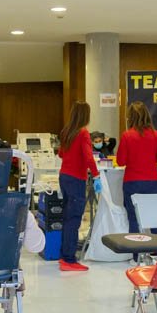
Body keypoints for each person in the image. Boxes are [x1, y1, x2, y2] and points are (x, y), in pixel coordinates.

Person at [56, 101, 99, 272]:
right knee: (74, 219)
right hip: (76, 179)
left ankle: (64, 255)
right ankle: (69, 259)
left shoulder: (67, 131)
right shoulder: (83, 133)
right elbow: (88, 157)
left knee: (67, 217)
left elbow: (61, 153)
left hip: (64, 177)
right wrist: (96, 175)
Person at [115, 102, 157, 234]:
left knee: (133, 218)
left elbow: (120, 161)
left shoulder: (127, 136)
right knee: (154, 217)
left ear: (130, 117)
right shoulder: (156, 135)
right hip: (151, 182)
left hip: (132, 182)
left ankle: (136, 246)